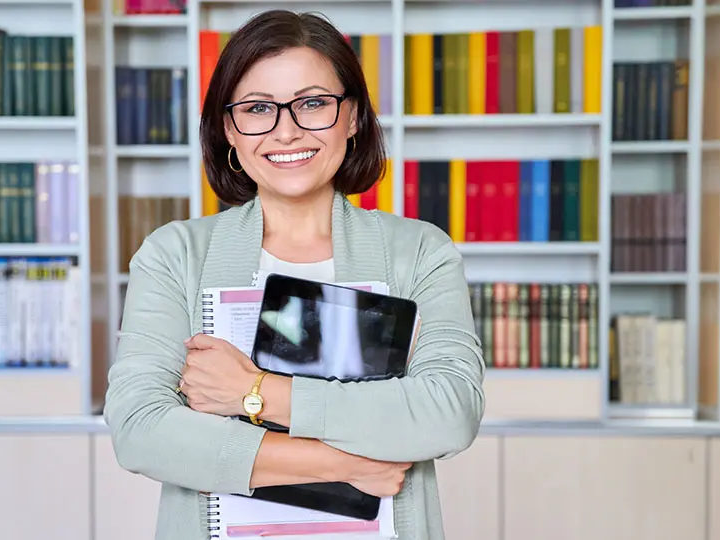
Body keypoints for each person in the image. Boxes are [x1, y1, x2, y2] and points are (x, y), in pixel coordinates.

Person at [103, 9, 486, 540]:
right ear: (227, 129)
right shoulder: (176, 255)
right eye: (259, 108)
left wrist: (253, 392)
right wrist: (343, 464)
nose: (286, 131)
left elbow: (449, 412)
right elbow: (140, 430)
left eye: (312, 103)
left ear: (353, 117)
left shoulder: (418, 252)